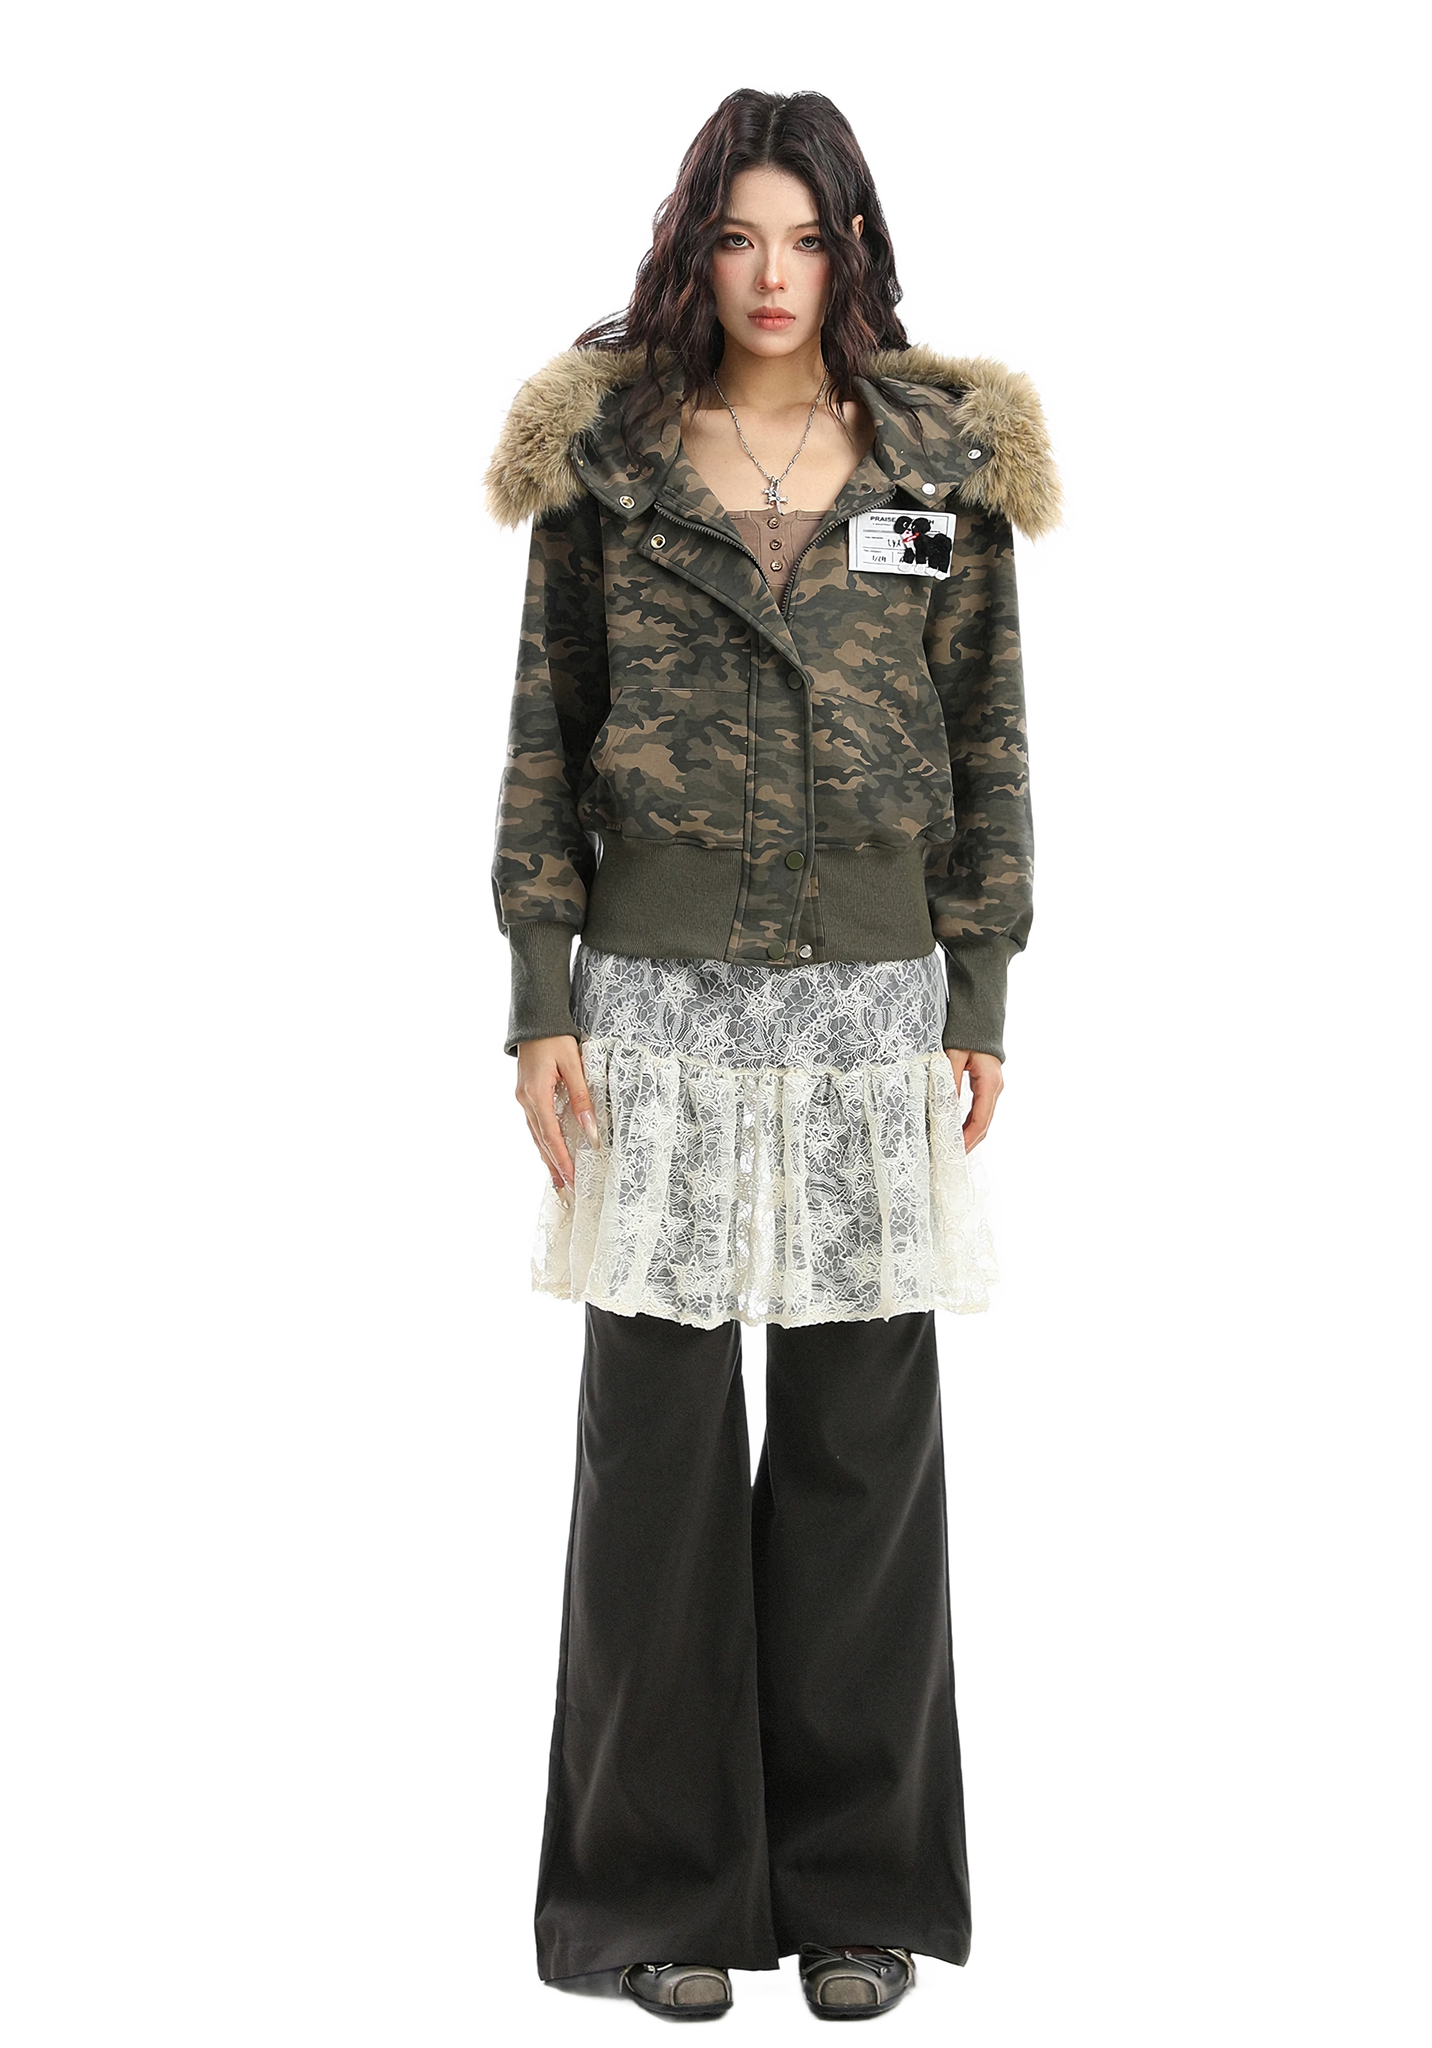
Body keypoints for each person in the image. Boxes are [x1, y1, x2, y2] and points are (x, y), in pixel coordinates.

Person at [473, 81, 1077, 2024]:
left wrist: (980, 999)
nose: (770, 274)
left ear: (854, 250)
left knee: (860, 1441)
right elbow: (543, 740)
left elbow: (991, 743)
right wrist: (540, 995)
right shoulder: (608, 464)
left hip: (871, 1005)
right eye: (736, 236)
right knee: (653, 1438)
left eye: (806, 238)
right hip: (652, 1005)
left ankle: (860, 1900)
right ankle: (647, 1900)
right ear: (691, 249)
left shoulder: (940, 466)